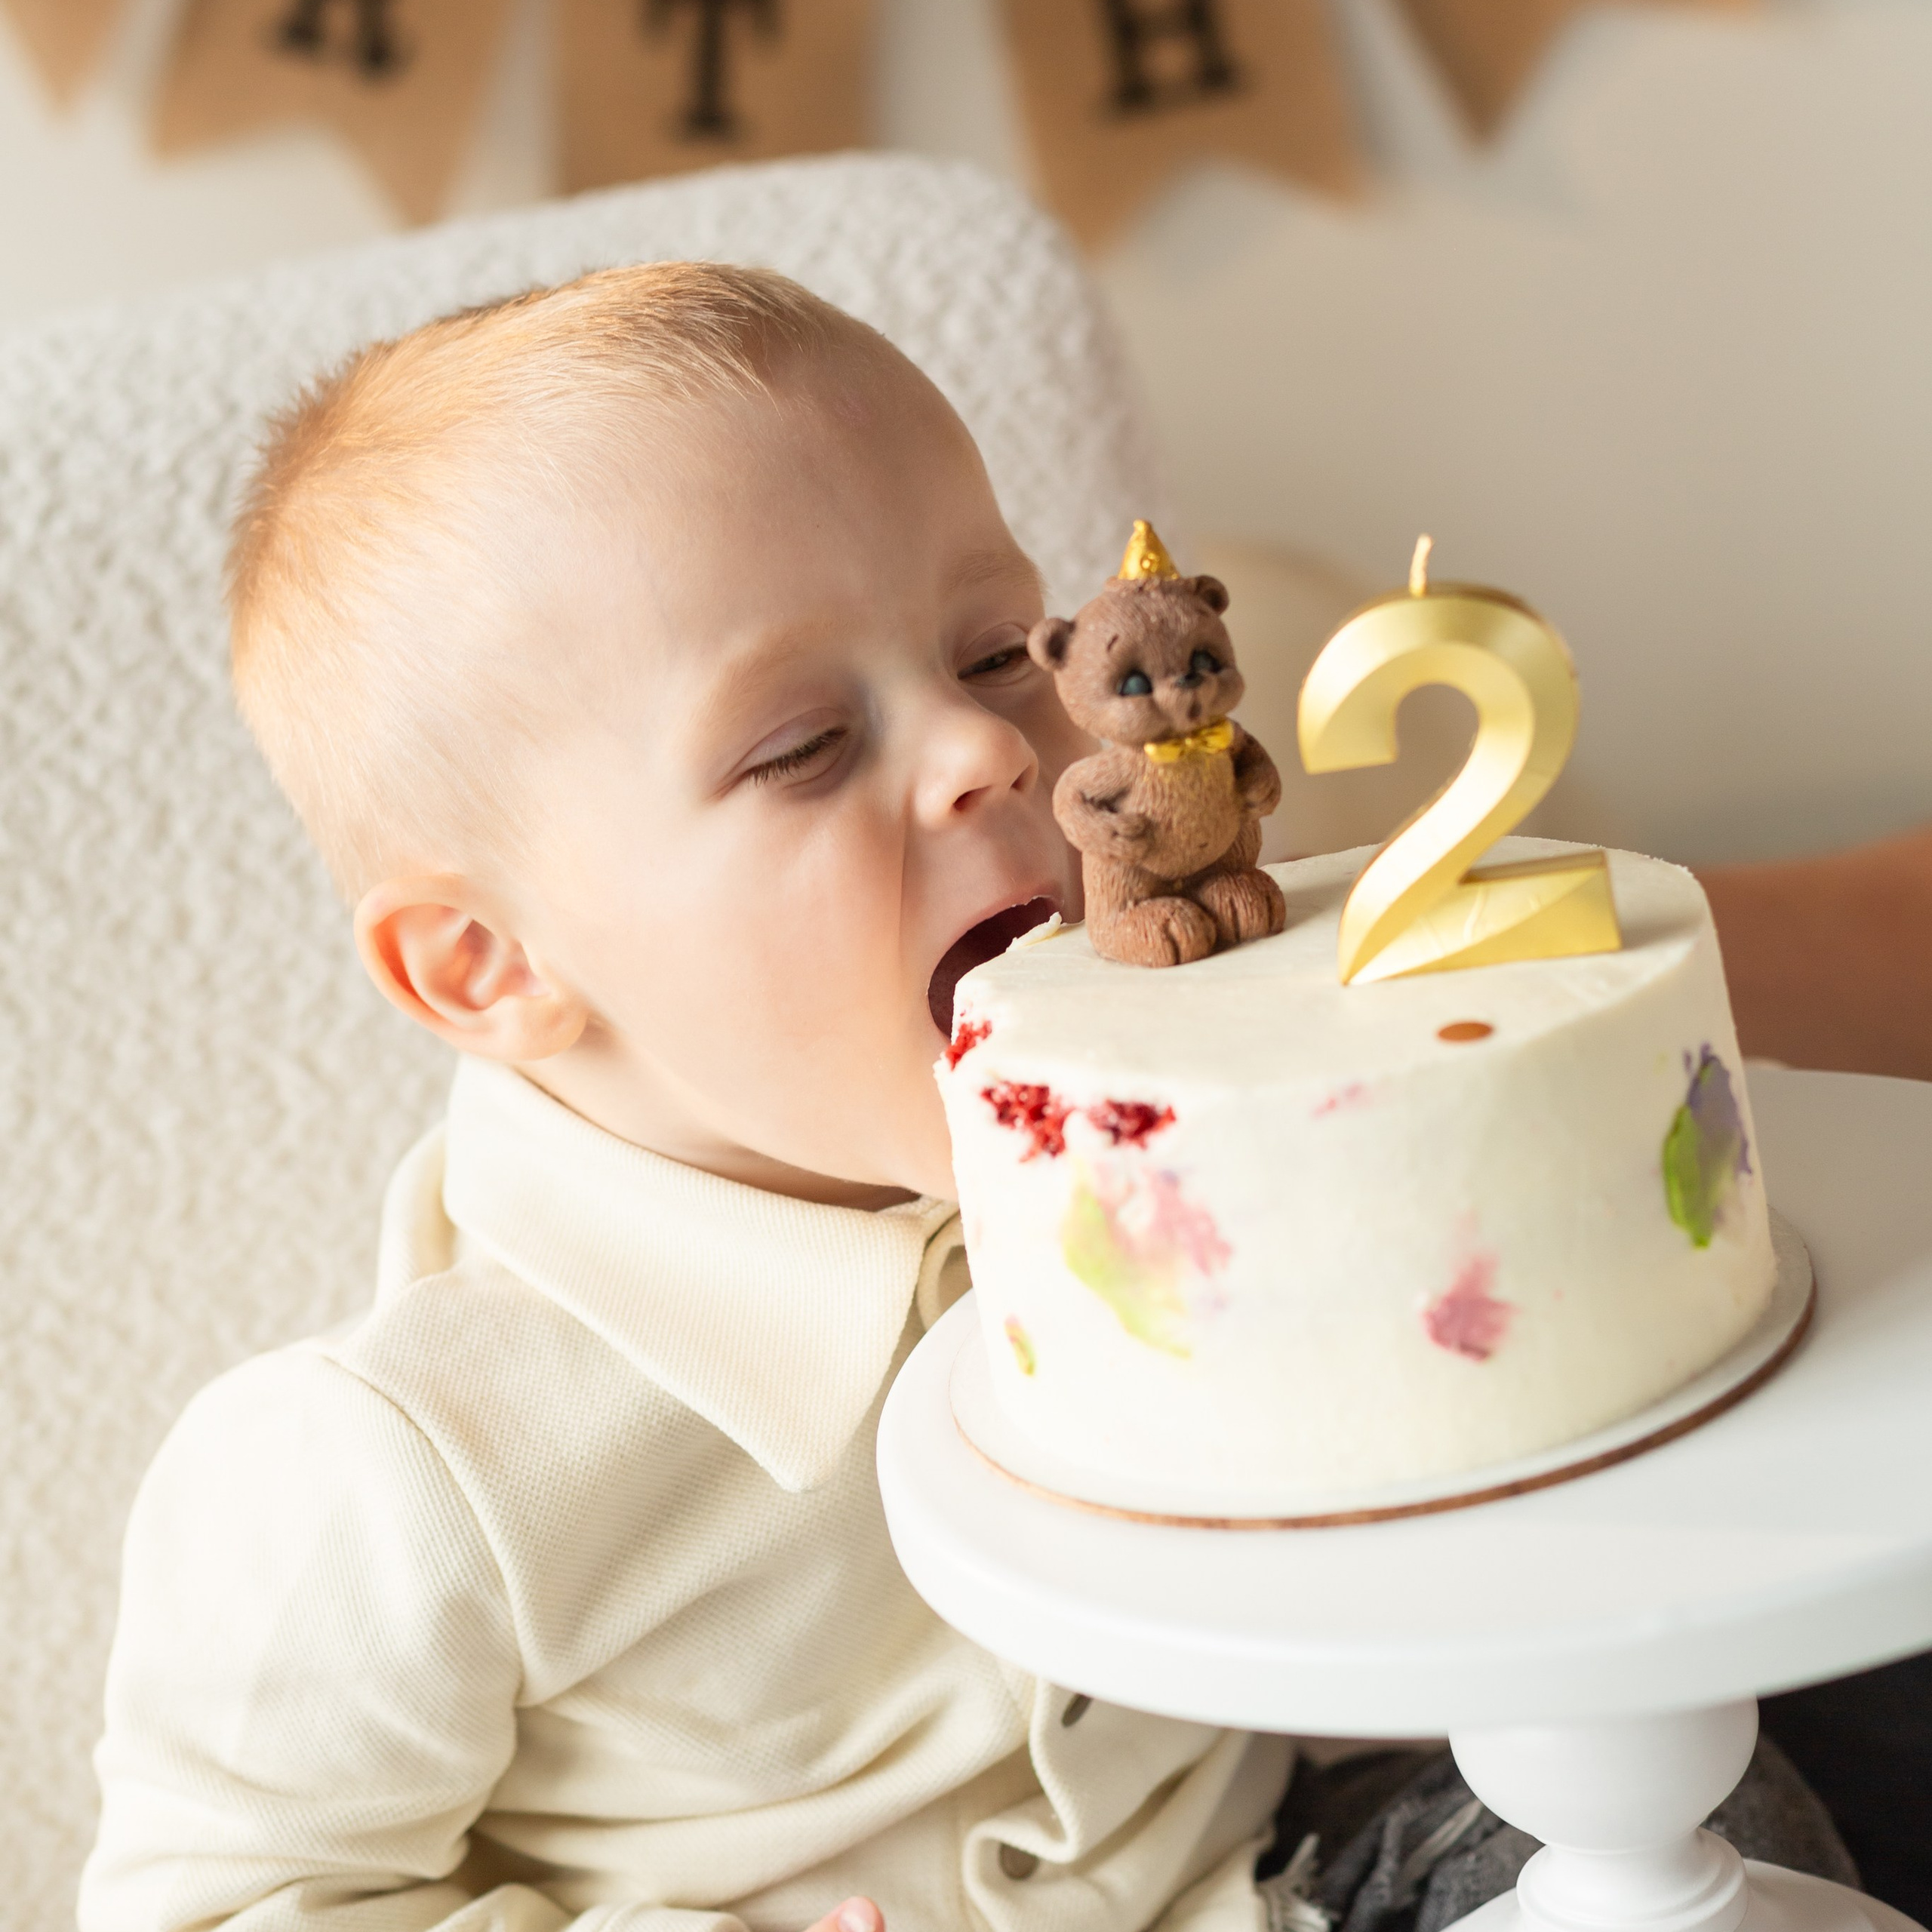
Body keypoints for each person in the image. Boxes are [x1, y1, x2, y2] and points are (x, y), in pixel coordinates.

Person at [78, 263, 1850, 1932]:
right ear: (491, 966)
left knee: (1709, 1787)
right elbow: (220, 1897)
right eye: (798, 747)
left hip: (1295, 1857)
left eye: (999, 648)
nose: (990, 749)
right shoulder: (385, 1464)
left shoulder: (1183, 1119)